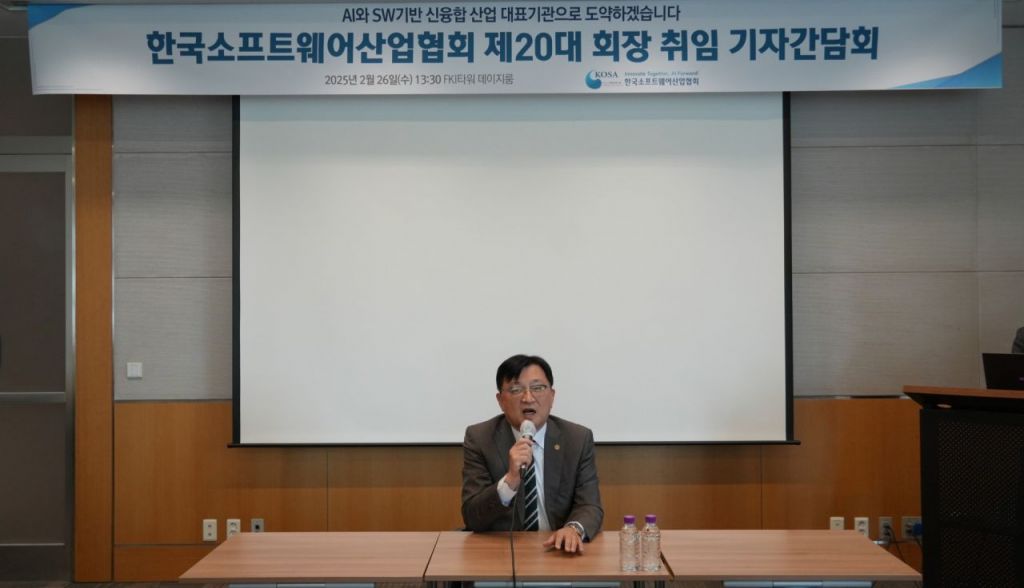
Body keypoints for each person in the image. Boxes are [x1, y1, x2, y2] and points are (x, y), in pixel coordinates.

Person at [461, 354, 603, 554]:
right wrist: (510, 481)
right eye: (516, 390)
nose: (528, 398)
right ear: (500, 400)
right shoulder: (480, 438)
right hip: (500, 552)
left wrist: (574, 529)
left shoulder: (577, 439)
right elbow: (472, 517)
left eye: (538, 388)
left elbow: (590, 505)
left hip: (557, 550)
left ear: (552, 396)